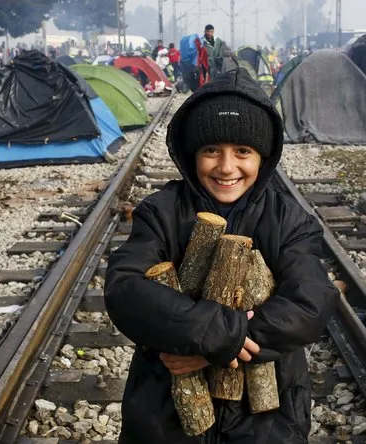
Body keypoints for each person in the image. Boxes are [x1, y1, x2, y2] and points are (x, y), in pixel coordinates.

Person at [104, 68, 339, 444]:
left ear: (263, 157)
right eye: (211, 150)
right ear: (191, 153)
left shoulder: (289, 220)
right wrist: (210, 333)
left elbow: (311, 301)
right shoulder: (162, 212)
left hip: (266, 419)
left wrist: (218, 347)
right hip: (166, 417)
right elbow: (124, 287)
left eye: (242, 152)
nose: (226, 167)